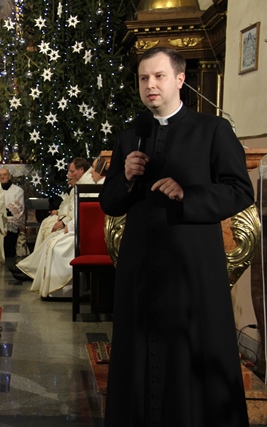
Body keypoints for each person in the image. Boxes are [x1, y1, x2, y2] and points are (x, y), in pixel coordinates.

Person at [99, 47, 253, 427]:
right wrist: (126, 178)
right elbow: (110, 203)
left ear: (180, 79)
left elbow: (239, 190)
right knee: (138, 351)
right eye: (143, 78)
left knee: (191, 352)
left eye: (159, 76)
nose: (150, 84)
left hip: (192, 269)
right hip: (140, 267)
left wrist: (189, 195)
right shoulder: (130, 135)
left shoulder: (212, 130)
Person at [10, 158, 94, 298]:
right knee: (49, 230)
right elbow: (72, 208)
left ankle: (34, 271)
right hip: (72, 224)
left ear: (81, 170)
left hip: (79, 228)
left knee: (53, 240)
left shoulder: (88, 185)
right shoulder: (82, 184)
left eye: (72, 171)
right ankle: (32, 269)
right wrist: (63, 218)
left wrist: (65, 223)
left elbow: (85, 213)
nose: (69, 174)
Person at [0, 167, 24, 264]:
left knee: (9, 243)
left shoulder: (18, 190)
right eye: (0, 175)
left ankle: (10, 259)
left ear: (9, 176)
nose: (2, 177)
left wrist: (4, 211)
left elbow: (18, 207)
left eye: (4, 175)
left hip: (11, 219)